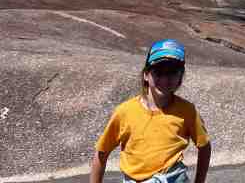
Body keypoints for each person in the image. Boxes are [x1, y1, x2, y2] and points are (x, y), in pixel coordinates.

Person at [90, 39, 212, 183]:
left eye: (173, 72)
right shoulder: (125, 112)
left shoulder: (187, 111)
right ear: (146, 75)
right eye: (158, 72)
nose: (165, 79)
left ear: (180, 77)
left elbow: (204, 146)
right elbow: (102, 152)